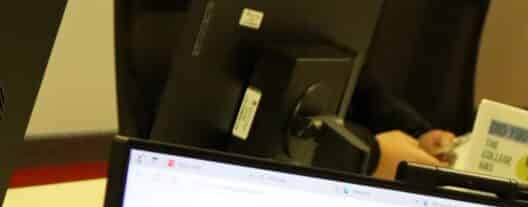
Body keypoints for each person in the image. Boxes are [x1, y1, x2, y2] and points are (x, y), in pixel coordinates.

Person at [117, 0, 458, 180]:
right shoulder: (169, 19)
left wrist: (416, 134)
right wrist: (368, 156)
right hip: (180, 183)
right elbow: (187, 93)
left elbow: (346, 72)